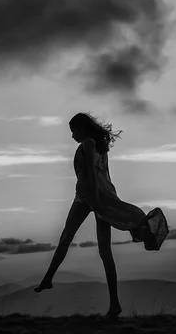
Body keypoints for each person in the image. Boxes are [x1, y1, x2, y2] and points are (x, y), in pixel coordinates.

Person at [34, 112, 168, 319]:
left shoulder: (88, 143)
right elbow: (104, 176)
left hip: (87, 198)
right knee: (105, 252)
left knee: (65, 239)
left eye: (73, 131)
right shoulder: (101, 148)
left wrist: (95, 200)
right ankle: (114, 304)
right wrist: (103, 201)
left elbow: (91, 174)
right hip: (101, 197)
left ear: (82, 129)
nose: (72, 136)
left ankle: (48, 279)